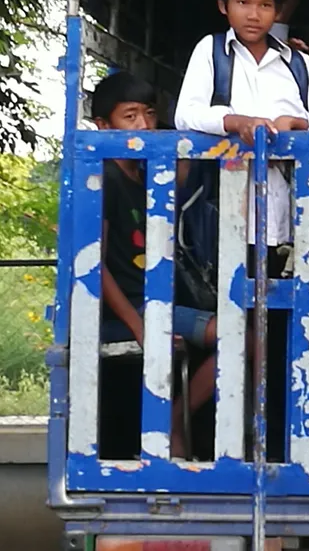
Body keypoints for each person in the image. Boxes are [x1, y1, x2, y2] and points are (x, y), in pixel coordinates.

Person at [175, 0, 309, 461]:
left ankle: (295, 454)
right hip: (236, 224)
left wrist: (297, 125)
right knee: (242, 337)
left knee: (300, 340)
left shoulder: (297, 62)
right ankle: (231, 451)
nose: (254, 15)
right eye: (244, 3)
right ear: (223, 5)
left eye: (266, 5)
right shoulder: (210, 53)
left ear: (278, 9)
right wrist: (236, 122)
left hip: (302, 225)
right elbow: (186, 115)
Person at [93, 71, 220, 459]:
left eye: (149, 114)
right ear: (103, 126)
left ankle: (176, 420)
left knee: (247, 337)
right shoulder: (105, 178)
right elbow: (93, 267)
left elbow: (187, 174)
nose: (143, 126)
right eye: (129, 116)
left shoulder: (150, 174)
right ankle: (173, 424)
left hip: (160, 304)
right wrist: (139, 326)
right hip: (132, 309)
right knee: (239, 338)